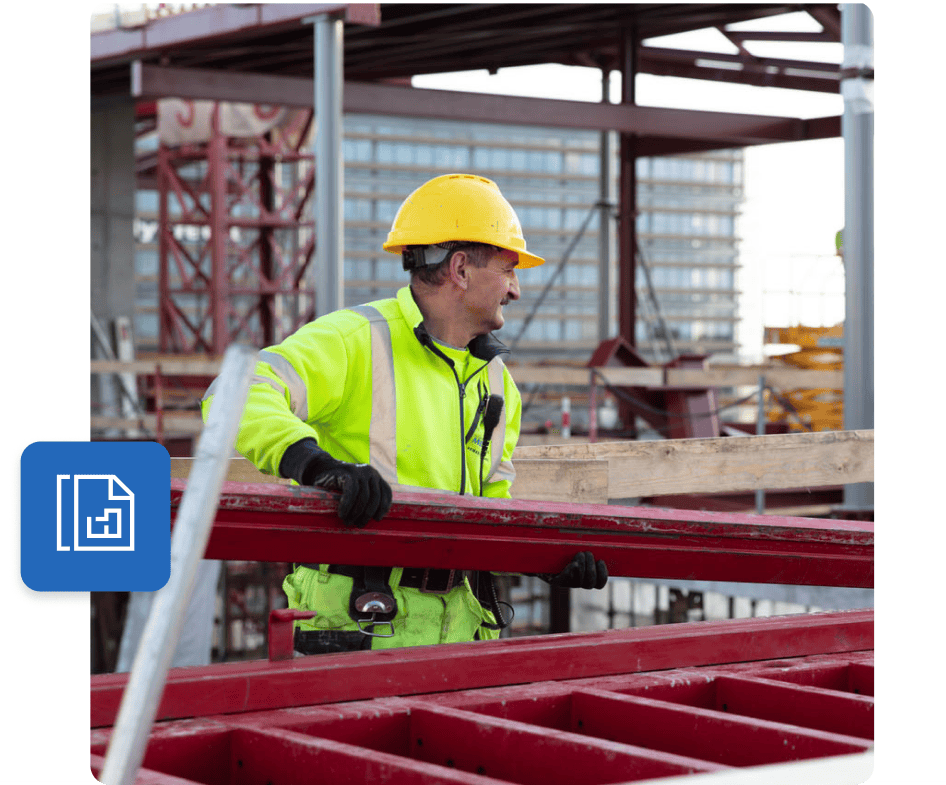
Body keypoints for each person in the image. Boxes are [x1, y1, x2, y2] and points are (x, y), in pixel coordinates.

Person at [202, 173, 607, 655]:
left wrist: (543, 559)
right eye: (508, 269)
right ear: (460, 269)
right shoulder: (357, 340)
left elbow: (493, 511)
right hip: (358, 629)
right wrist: (317, 467)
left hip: (461, 640)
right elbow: (234, 391)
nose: (515, 289)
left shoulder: (497, 384)